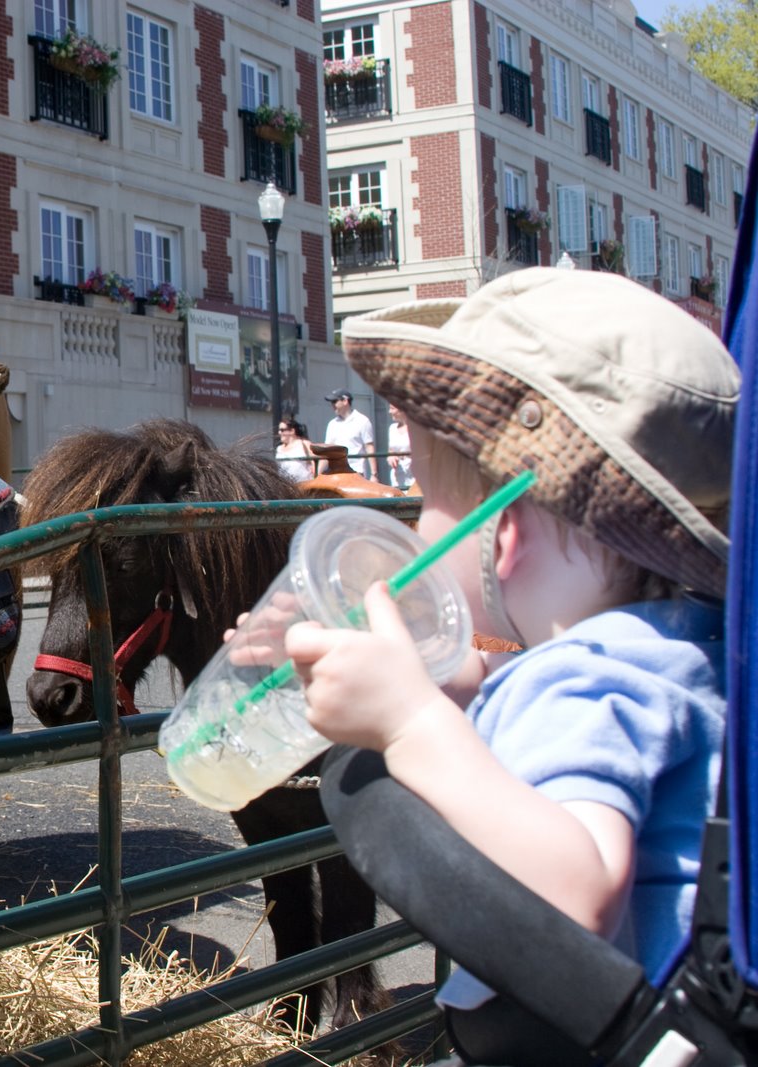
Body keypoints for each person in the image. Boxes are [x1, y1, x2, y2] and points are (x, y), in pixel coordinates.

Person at [284, 269, 732, 1063]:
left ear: (505, 531)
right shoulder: (681, 648)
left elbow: (576, 894)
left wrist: (411, 722)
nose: (416, 526)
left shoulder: (586, 677)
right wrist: (466, 687)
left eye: (426, 499)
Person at [321, 389, 375, 479]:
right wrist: (317, 474)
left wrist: (374, 474)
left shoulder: (362, 421)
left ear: (345, 401)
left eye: (334, 401)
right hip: (335, 473)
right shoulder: (332, 424)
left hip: (356, 472)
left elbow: (369, 447)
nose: (332, 405)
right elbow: (328, 450)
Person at [274, 418, 317, 482]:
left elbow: (316, 461)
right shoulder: (279, 448)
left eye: (282, 430)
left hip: (304, 484)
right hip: (285, 485)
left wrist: (315, 473)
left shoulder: (304, 444)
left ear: (292, 431)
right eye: (279, 430)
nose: (279, 432)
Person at [385, 402, 412, 490]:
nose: (389, 411)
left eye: (392, 408)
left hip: (413, 474)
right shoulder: (392, 428)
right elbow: (391, 450)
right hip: (397, 475)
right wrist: (391, 457)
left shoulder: (415, 428)